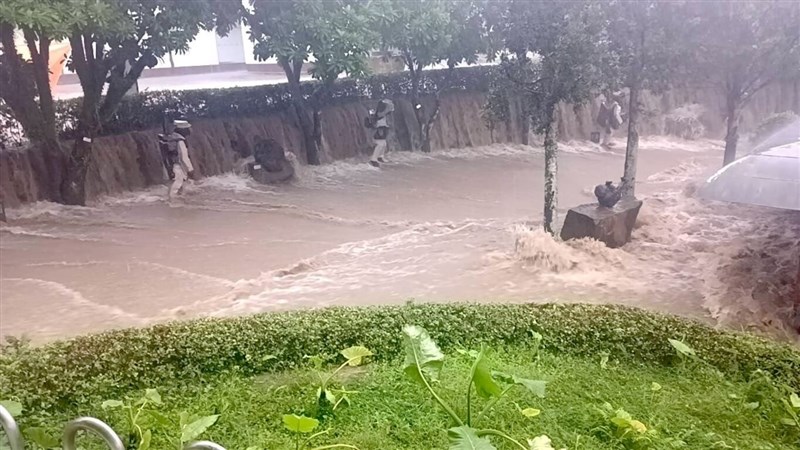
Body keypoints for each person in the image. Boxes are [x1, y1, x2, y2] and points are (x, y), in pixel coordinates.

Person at [158, 119, 195, 200]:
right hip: (177, 167)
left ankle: (171, 204)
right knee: (177, 187)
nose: (190, 130)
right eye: (188, 129)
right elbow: (183, 156)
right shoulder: (180, 141)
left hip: (169, 165)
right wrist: (190, 169)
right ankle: (175, 206)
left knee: (172, 186)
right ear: (183, 130)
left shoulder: (169, 139)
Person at [366, 99, 394, 167]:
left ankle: (380, 157)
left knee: (384, 143)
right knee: (380, 144)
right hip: (378, 129)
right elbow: (379, 116)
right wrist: (388, 110)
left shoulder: (385, 113)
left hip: (383, 128)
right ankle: (373, 159)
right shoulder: (379, 113)